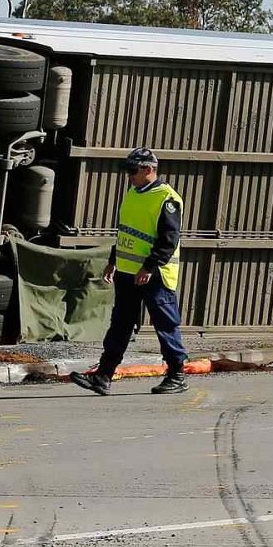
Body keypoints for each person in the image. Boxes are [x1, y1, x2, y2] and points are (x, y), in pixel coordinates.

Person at [71, 147, 190, 396]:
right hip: (127, 272)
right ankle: (103, 376)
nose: (129, 176)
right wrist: (113, 261)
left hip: (155, 274)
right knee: (120, 324)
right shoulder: (133, 193)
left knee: (165, 324)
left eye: (133, 171)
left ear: (149, 170)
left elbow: (168, 240)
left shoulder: (166, 198)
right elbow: (126, 232)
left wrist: (149, 266)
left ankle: (177, 374)